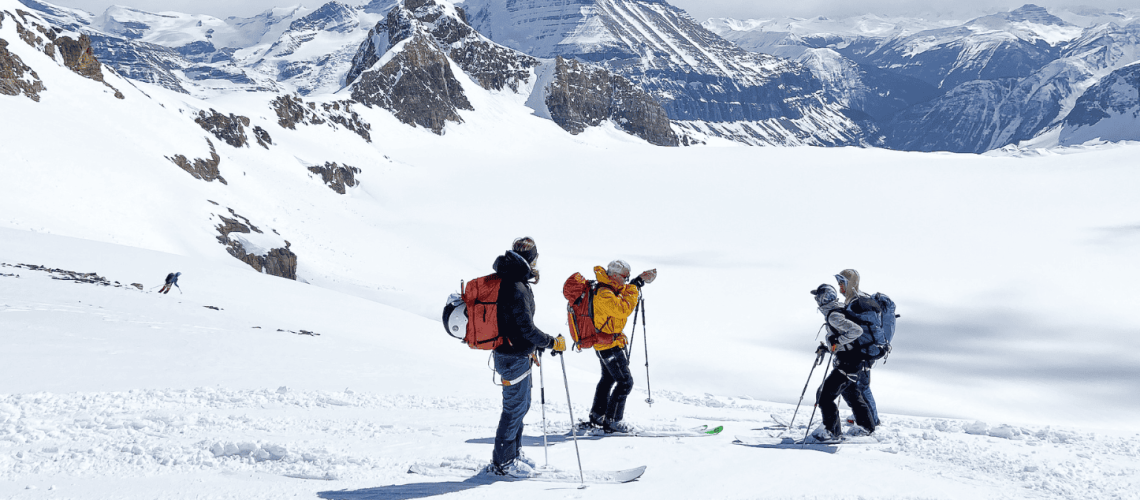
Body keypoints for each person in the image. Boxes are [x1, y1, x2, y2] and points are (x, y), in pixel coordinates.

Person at [487, 237, 566, 477]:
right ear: (531, 259)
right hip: (512, 357)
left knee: (521, 407)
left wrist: (534, 344)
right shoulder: (515, 286)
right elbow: (526, 329)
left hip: (515, 353)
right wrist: (551, 341)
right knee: (513, 409)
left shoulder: (513, 280)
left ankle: (513, 453)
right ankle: (502, 463)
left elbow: (519, 326)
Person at [583, 260, 652, 434]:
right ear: (614, 275)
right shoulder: (604, 293)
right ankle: (613, 421)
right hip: (609, 345)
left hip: (606, 342)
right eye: (625, 277)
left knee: (608, 379)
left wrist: (636, 282)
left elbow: (622, 294)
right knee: (625, 382)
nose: (626, 280)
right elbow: (623, 309)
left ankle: (598, 415)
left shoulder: (608, 286)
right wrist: (634, 288)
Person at [809, 283, 876, 441]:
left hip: (848, 362)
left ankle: (831, 432)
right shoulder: (839, 309)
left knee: (824, 396)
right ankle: (866, 427)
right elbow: (845, 339)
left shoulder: (834, 315)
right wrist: (830, 347)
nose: (817, 300)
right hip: (853, 361)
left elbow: (856, 331)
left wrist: (837, 341)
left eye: (818, 297)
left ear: (824, 298)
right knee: (852, 394)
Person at [836, 269, 882, 427]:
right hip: (861, 350)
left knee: (860, 386)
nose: (839, 286)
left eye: (842, 282)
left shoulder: (858, 303)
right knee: (857, 386)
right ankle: (866, 417)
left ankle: (871, 420)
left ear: (851, 283)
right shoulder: (856, 301)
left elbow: (857, 329)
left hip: (862, 352)